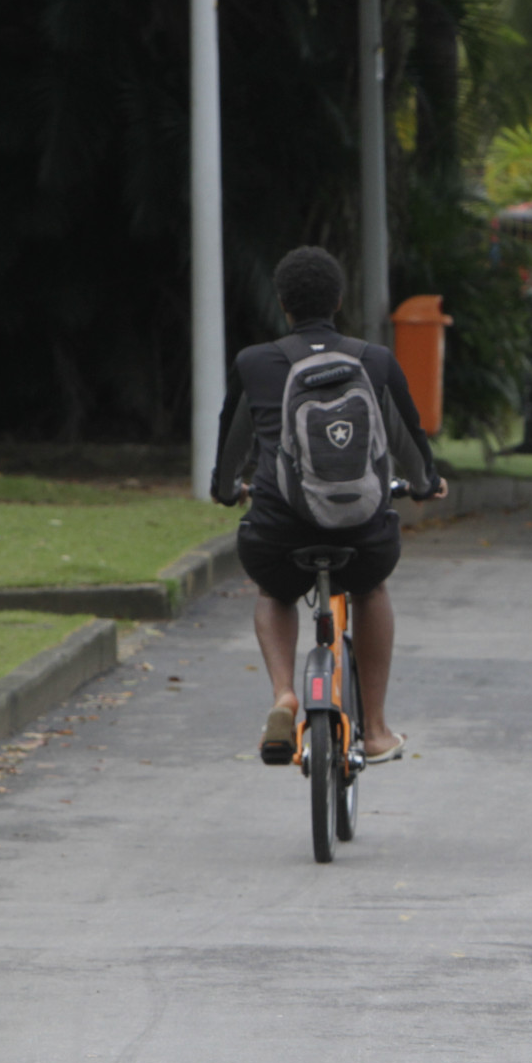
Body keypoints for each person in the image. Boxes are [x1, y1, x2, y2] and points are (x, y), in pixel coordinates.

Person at [212, 246, 448, 766]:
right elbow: (409, 440)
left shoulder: (254, 364)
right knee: (370, 588)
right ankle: (377, 730)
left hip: (278, 531)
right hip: (361, 533)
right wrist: (425, 484)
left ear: (282, 303)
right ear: (339, 301)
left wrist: (227, 490)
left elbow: (232, 446)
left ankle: (283, 695)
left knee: (274, 590)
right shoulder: (375, 360)